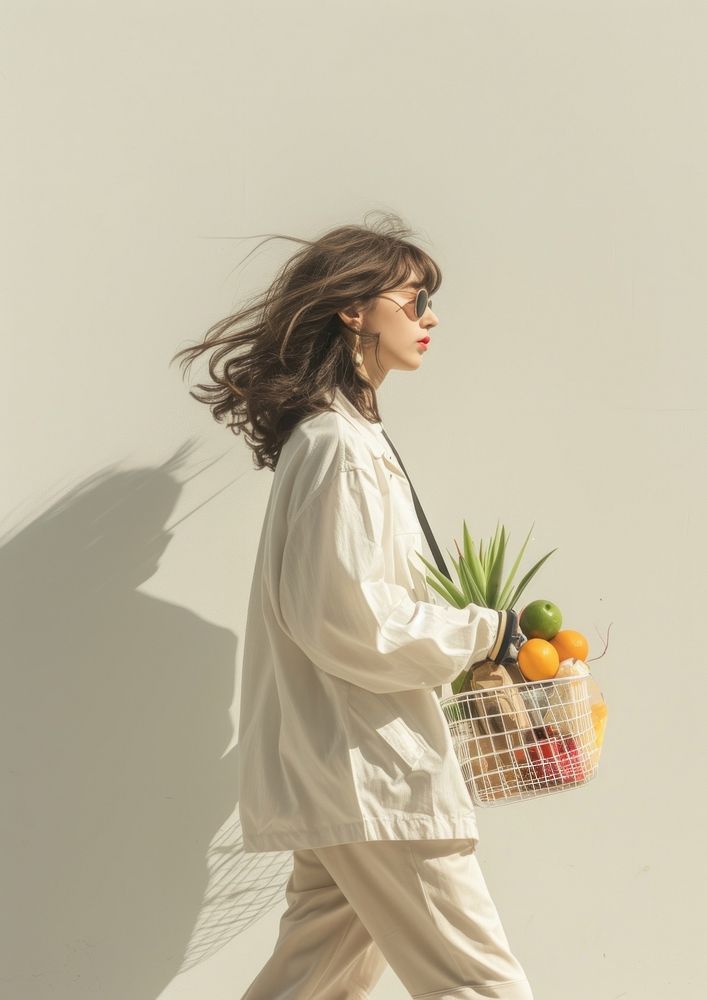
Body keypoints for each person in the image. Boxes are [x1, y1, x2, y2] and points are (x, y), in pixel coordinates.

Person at [171, 212, 534, 999]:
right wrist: (484, 632)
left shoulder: (342, 440)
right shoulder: (337, 446)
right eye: (414, 299)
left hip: (348, 771)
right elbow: (351, 622)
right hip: (375, 771)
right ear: (354, 309)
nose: (430, 317)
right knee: (481, 987)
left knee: (312, 983)